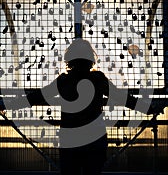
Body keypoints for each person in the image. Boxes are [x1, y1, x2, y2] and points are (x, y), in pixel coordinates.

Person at [18, 38, 138, 174]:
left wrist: (13, 104)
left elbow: (38, 96)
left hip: (70, 138)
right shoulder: (97, 79)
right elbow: (121, 97)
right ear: (90, 58)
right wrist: (147, 107)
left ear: (70, 58)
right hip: (94, 137)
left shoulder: (64, 80)